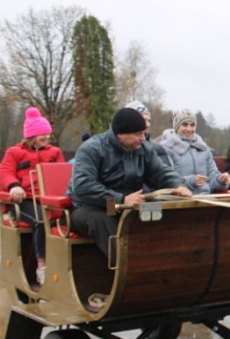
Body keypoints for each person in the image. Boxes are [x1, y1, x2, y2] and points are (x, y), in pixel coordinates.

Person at [67, 108, 192, 262]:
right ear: (121, 134)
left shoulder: (145, 149)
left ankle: (168, 261)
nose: (143, 138)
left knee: (158, 208)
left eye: (144, 133)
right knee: (101, 220)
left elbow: (160, 172)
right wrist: (121, 199)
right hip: (91, 206)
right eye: (138, 134)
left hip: (130, 204)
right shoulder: (91, 149)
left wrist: (178, 185)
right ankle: (127, 269)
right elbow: (82, 186)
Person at [0, 107, 65, 285]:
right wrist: (13, 186)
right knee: (40, 220)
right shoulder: (15, 152)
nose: (45, 137)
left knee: (66, 219)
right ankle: (41, 266)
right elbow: (5, 172)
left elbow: (62, 173)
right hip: (25, 199)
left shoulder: (54, 152)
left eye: (47, 134)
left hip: (48, 199)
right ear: (31, 136)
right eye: (41, 134)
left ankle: (65, 265)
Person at [156, 109, 230, 194]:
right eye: (184, 125)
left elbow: (212, 175)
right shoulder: (166, 149)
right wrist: (191, 181)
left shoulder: (204, 149)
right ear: (176, 126)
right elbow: (166, 179)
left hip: (205, 197)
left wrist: (221, 180)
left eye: (192, 125)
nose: (189, 129)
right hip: (179, 199)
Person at [125, 100, 170, 166]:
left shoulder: (157, 149)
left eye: (149, 121)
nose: (147, 124)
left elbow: (165, 174)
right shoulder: (110, 147)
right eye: (143, 120)